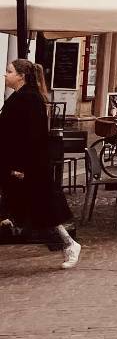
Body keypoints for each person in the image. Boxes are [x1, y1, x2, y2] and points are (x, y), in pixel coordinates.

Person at [0, 59, 80, 267]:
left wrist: (22, 167)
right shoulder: (19, 97)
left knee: (42, 210)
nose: (5, 75)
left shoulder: (30, 99)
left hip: (27, 166)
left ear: (21, 76)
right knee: (32, 209)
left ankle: (69, 244)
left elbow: (33, 136)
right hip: (12, 163)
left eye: (9, 72)